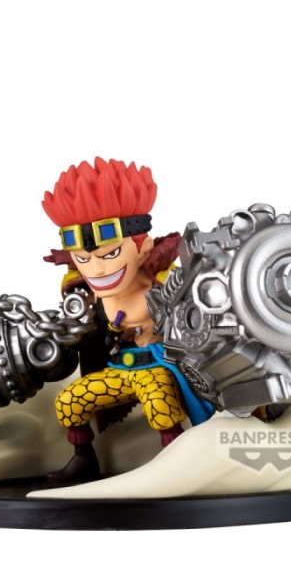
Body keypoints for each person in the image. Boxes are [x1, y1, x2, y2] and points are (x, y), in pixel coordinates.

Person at [42, 157, 213, 483]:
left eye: (109, 254)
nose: (97, 269)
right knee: (70, 400)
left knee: (160, 404)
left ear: (143, 248)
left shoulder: (165, 283)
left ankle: (176, 465)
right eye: (84, 259)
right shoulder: (89, 295)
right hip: (120, 370)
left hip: (159, 367)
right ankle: (84, 458)